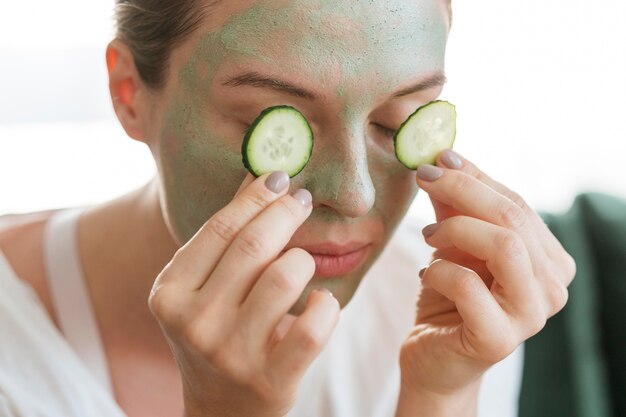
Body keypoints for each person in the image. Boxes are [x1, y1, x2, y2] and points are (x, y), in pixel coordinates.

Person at [2, 0, 603, 416]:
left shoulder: (442, 305)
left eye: (399, 120)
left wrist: (442, 395)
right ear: (129, 94)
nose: (356, 194)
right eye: (275, 124)